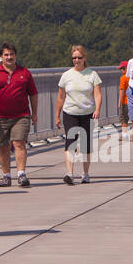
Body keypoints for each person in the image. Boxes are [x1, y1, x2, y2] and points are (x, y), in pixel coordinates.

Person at [0, 42, 38, 188]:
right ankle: (6, 175)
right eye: (6, 55)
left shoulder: (24, 72)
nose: (9, 57)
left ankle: (21, 174)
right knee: (2, 147)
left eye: (11, 54)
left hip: (21, 115)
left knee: (19, 143)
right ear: (2, 57)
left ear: (16, 56)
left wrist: (34, 113)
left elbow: (33, 94)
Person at [55, 45, 103, 185]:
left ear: (84, 58)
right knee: (70, 143)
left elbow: (97, 94)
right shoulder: (66, 75)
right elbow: (60, 97)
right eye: (74, 58)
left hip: (87, 113)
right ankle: (69, 173)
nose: (77, 60)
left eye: (79, 58)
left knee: (86, 146)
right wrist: (57, 115)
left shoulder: (92, 75)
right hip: (70, 112)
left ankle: (85, 173)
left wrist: (97, 109)